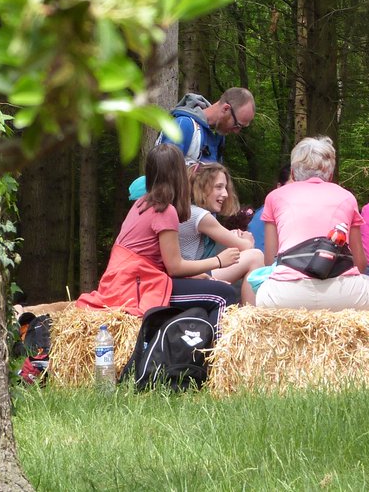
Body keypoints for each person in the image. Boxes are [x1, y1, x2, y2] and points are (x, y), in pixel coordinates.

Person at [78, 145, 241, 329]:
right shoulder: (165, 210)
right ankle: (211, 356)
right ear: (179, 174)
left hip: (125, 282)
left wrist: (194, 276)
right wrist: (218, 261)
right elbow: (175, 267)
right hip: (136, 287)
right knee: (224, 295)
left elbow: (161, 262)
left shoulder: (142, 203)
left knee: (209, 288)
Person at [256, 137, 369, 310]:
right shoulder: (347, 197)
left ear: (292, 173)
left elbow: (270, 261)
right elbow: (360, 263)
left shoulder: (274, 197)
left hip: (287, 296)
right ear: (329, 175)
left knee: (260, 291)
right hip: (344, 295)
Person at [127, 88, 256, 199]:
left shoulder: (218, 136)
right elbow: (161, 176)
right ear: (226, 109)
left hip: (201, 216)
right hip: (179, 215)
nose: (237, 131)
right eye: (237, 125)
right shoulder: (184, 125)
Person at [182, 162, 264, 296]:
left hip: (189, 276)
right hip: (188, 279)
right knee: (255, 256)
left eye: (225, 188)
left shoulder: (188, 211)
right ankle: (251, 314)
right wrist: (247, 239)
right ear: (201, 188)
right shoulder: (200, 216)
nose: (225, 194)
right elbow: (246, 246)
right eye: (219, 187)